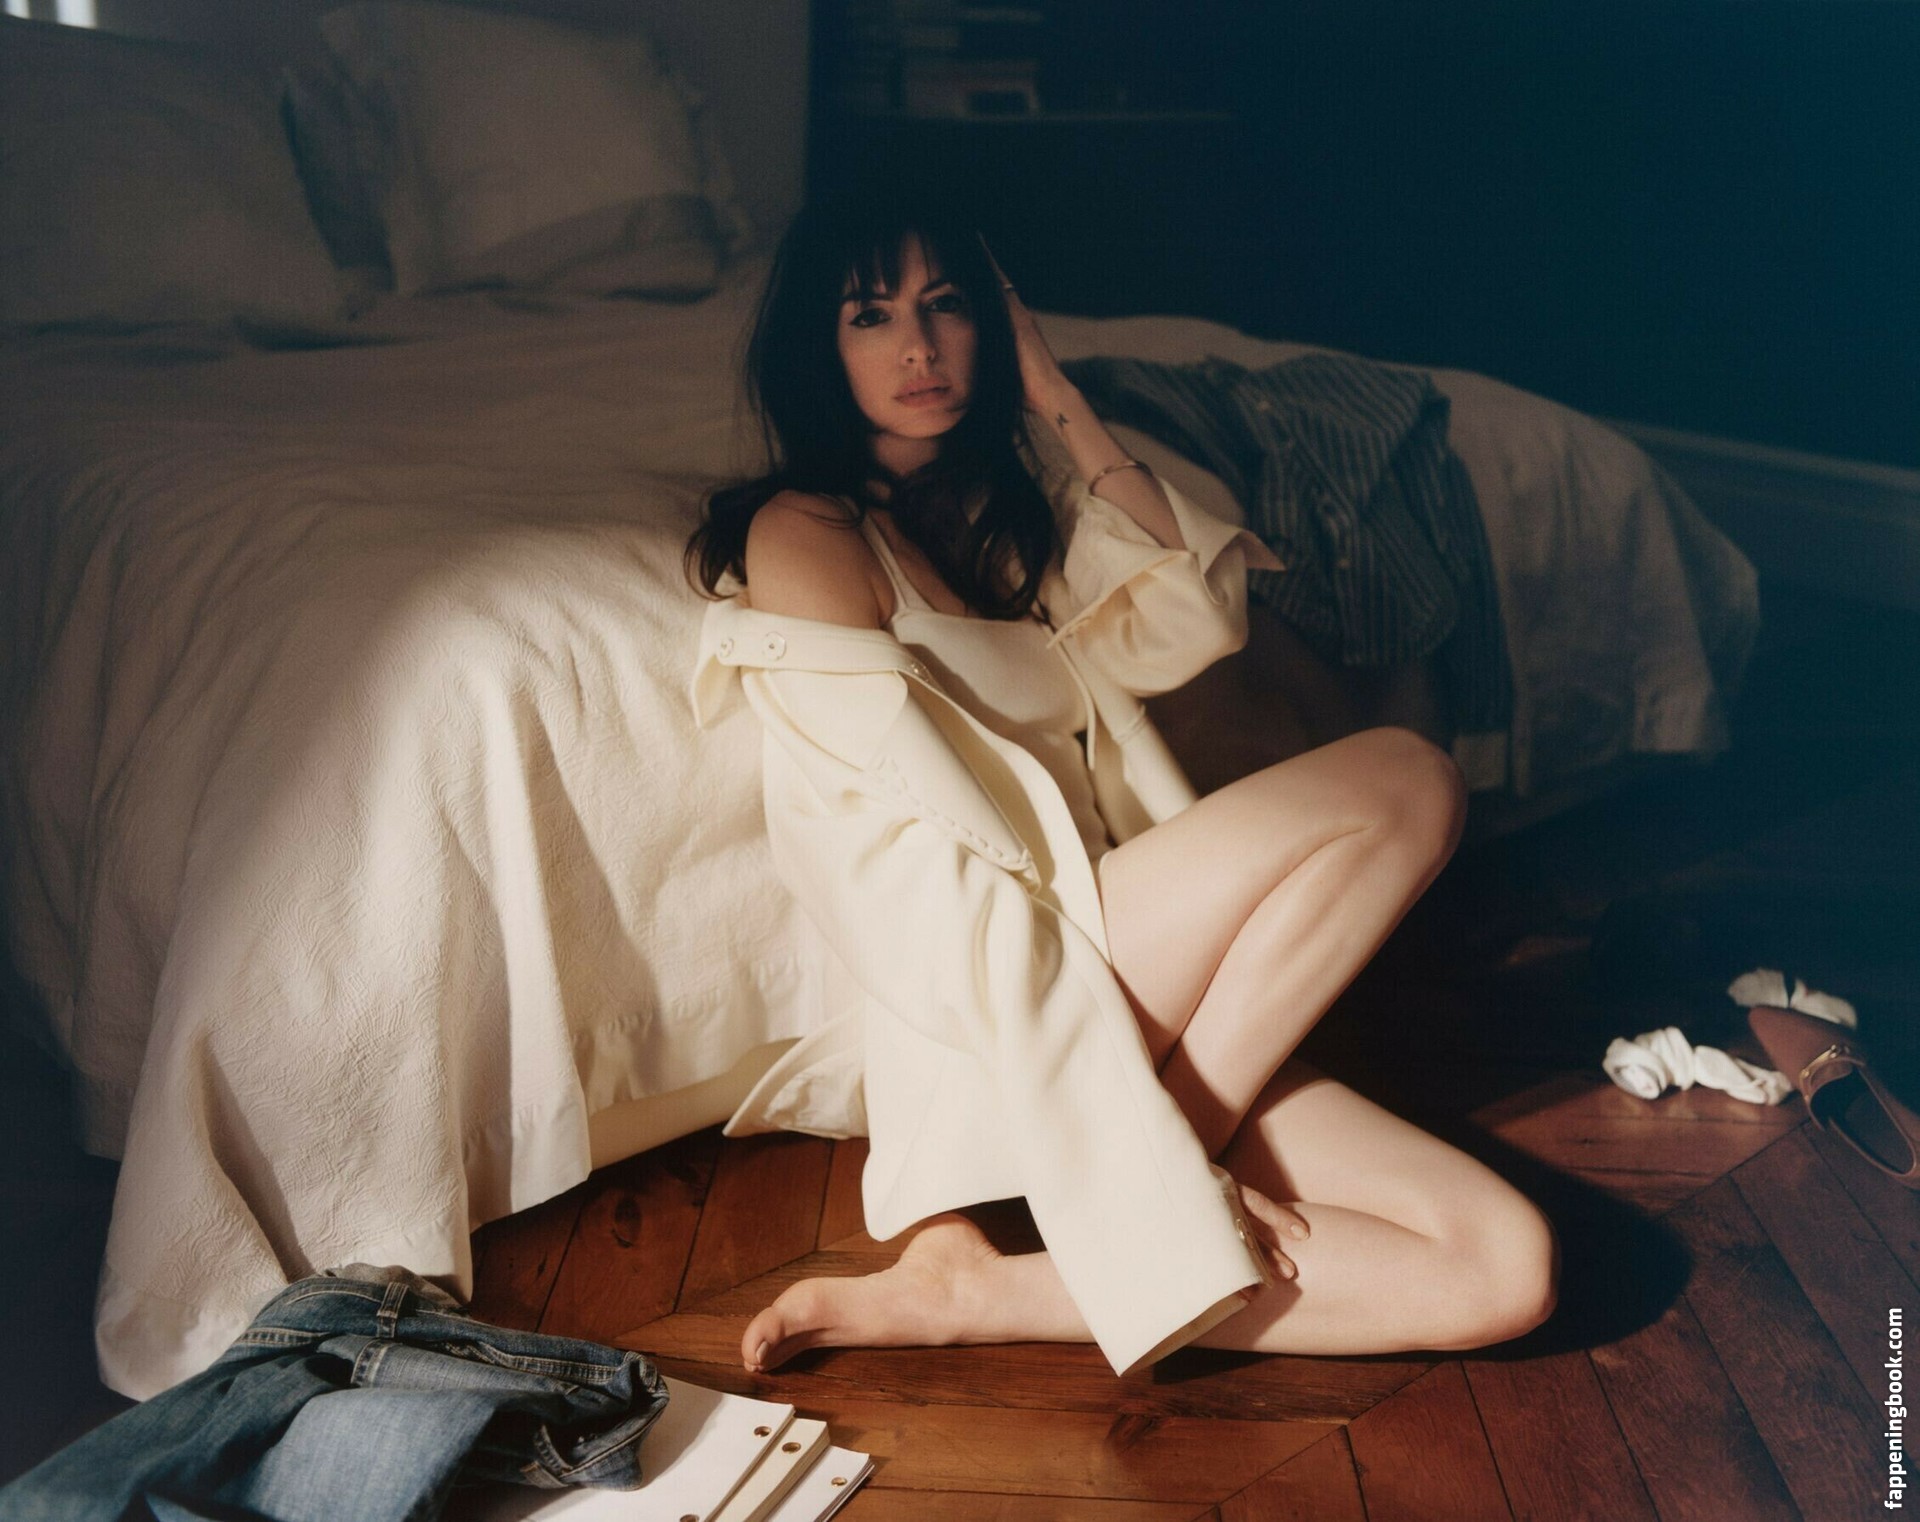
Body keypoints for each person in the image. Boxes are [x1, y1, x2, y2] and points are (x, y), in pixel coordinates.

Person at [684, 194, 1557, 1376]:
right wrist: (1142, 1136)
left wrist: (1054, 390)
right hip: (1016, 989)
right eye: (871, 315)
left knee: (1505, 1267)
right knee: (1408, 774)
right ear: (817, 347)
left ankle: (999, 1289)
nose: (919, 347)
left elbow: (1188, 614)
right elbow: (898, 856)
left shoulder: (998, 521)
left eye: (947, 306)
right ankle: (1159, 1170)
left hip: (1147, 1001)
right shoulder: (806, 533)